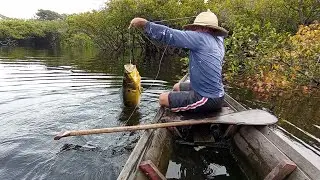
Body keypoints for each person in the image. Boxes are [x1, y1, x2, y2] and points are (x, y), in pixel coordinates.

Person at [129, 10, 228, 113]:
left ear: (204, 28)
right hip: (218, 94)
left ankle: (181, 120)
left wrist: (145, 24)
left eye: (196, 27)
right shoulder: (218, 41)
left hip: (207, 99)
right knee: (177, 87)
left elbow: (169, 34)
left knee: (162, 98)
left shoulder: (201, 38)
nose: (194, 30)